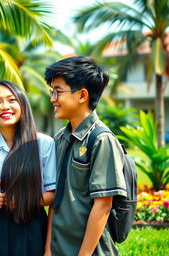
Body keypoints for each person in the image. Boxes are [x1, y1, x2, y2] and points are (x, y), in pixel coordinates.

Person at [44, 56, 127, 256]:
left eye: (58, 91)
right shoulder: (60, 138)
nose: (53, 98)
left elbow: (103, 206)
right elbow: (57, 197)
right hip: (59, 248)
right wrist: (48, 249)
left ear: (82, 95)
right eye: (52, 91)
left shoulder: (101, 139)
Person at [0, 80, 56, 256]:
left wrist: (24, 200)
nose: (5, 106)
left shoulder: (44, 144)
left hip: (32, 228)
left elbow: (54, 194)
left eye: (12, 100)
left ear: (22, 106)